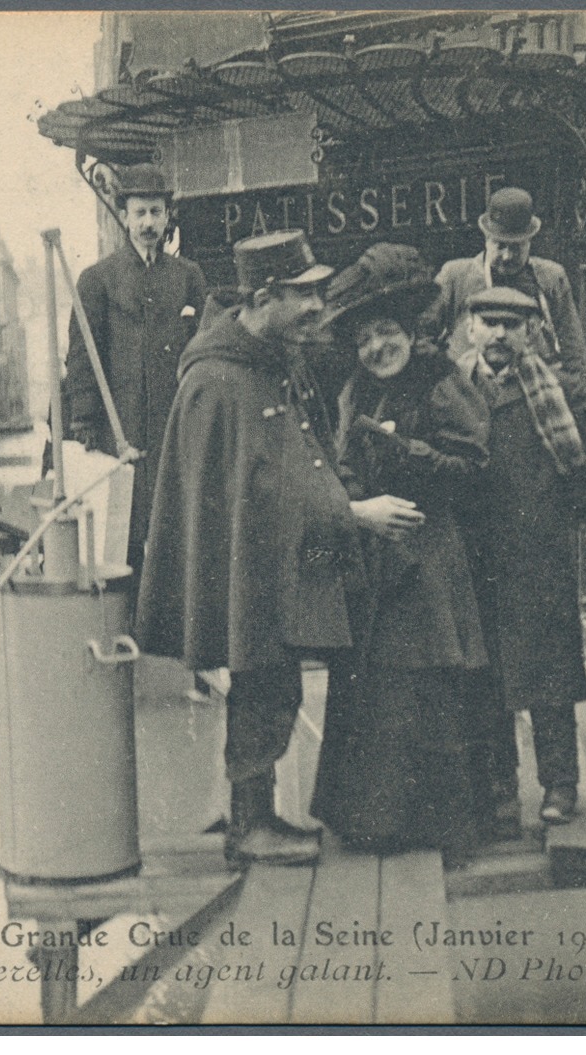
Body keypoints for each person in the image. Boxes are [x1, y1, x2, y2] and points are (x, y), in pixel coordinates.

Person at [136, 230, 425, 866]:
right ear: (265, 298)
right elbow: (263, 489)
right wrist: (354, 513)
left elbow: (299, 456)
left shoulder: (267, 359)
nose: (319, 309)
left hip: (273, 561)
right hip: (246, 564)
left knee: (271, 682)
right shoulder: (219, 379)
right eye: (307, 297)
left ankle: (252, 812)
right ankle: (250, 824)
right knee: (263, 682)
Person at [307, 243, 493, 859]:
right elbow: (341, 465)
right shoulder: (355, 392)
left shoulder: (443, 383)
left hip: (430, 565)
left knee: (422, 693)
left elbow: (472, 474)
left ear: (411, 331)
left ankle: (432, 828)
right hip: (374, 566)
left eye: (386, 333)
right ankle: (371, 821)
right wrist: (356, 496)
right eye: (364, 338)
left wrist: (398, 453)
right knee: (371, 690)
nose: (376, 348)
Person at [458, 287, 586, 830]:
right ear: (470, 329)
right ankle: (498, 787)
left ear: (532, 334)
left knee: (549, 676)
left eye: (512, 325)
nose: (498, 335)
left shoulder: (554, 389)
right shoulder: (455, 390)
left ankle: (560, 784)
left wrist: (570, 494)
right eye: (488, 323)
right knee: (486, 675)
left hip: (538, 558)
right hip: (478, 558)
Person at [60, 163, 208, 573]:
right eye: (139, 213)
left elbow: (205, 346)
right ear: (123, 217)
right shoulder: (98, 280)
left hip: (173, 425)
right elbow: (82, 355)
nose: (148, 222)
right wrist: (85, 419)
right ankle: (126, 621)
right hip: (119, 425)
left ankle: (171, 625)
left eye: (155, 213)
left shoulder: (187, 276)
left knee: (175, 529)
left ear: (166, 218)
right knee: (122, 530)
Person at [423, 187, 586, 399]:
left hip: (534, 395)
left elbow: (574, 352)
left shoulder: (551, 278)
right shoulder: (456, 276)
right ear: (486, 238)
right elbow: (423, 336)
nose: (507, 256)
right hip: (468, 396)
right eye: (500, 245)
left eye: (517, 247)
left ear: (530, 241)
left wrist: (575, 397)